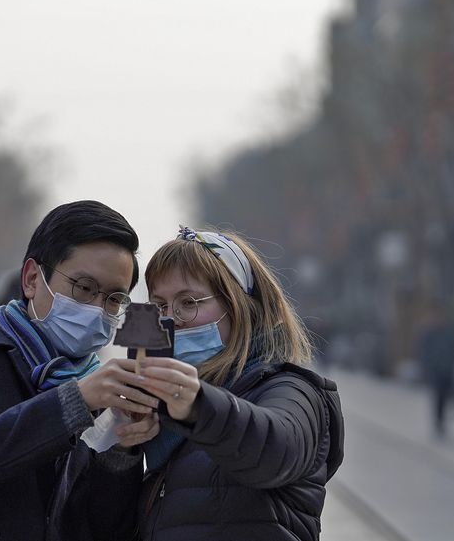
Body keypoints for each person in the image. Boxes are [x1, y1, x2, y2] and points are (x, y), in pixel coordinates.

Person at [0, 200, 160, 541]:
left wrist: (122, 451)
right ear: (33, 279)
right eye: (84, 288)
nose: (98, 309)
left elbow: (106, 529)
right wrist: (72, 404)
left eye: (113, 299)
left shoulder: (99, 395)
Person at [131, 226, 344, 541]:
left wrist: (197, 406)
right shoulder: (160, 416)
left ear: (237, 307)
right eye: (160, 306)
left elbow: (275, 449)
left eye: (188, 302)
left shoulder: (292, 389)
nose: (171, 319)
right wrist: (120, 451)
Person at [417, 301, 454, 438]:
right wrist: (426, 368)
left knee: (446, 397)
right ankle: (438, 420)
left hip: (447, 369)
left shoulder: (449, 331)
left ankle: (442, 419)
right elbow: (424, 352)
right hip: (435, 370)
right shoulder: (428, 332)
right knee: (438, 396)